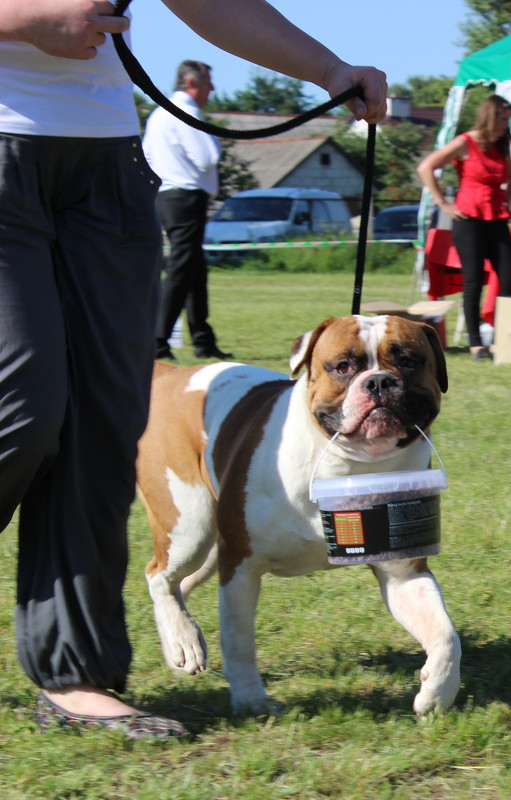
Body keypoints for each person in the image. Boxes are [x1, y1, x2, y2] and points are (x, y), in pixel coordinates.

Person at [0, 0, 387, 739]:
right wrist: (18, 19)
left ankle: (74, 674)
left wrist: (329, 70)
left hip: (106, 166)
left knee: (101, 428)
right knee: (22, 405)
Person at [417, 95, 511, 361]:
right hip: (468, 218)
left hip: (496, 216)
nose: (504, 124)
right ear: (488, 115)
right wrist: (442, 202)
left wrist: (508, 199)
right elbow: (426, 167)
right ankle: (476, 344)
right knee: (473, 281)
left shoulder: (502, 145)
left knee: (510, 279)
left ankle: (499, 339)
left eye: (507, 119)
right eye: (501, 117)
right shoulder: (466, 141)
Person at [143, 59, 229, 361]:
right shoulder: (187, 113)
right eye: (208, 82)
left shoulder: (158, 114)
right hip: (186, 196)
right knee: (181, 268)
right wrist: (215, 141)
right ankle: (157, 339)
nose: (212, 89)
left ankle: (202, 339)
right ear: (192, 83)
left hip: (165, 195)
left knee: (193, 267)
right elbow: (207, 157)